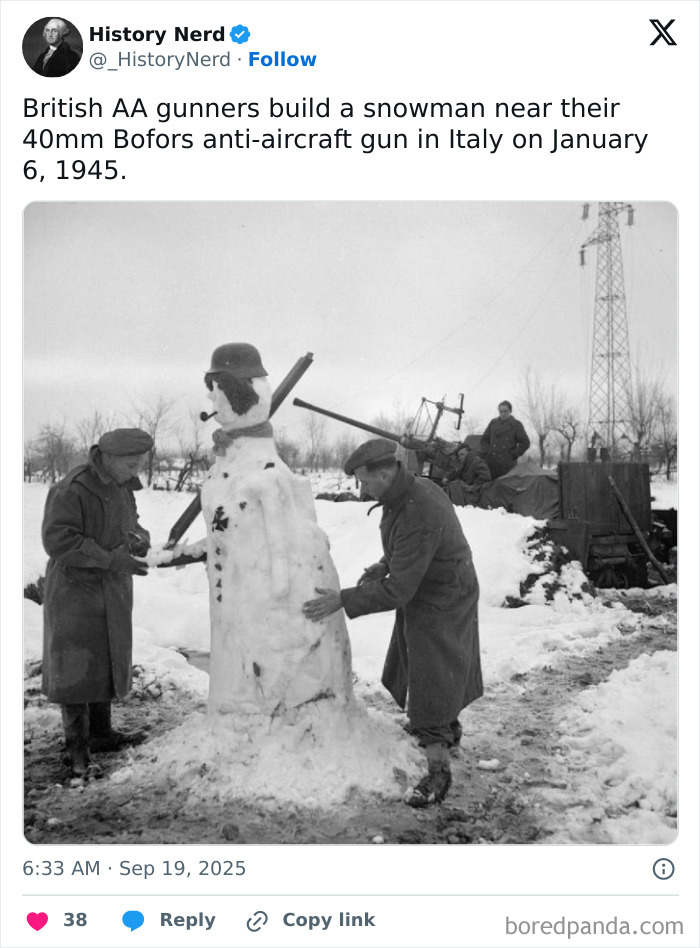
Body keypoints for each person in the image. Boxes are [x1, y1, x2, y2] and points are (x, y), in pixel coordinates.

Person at [303, 438, 482, 807]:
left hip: (443, 595)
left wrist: (342, 600)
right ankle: (448, 728)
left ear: (385, 472)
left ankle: (438, 772)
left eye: (365, 481)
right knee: (418, 659)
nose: (362, 489)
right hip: (433, 584)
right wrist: (385, 564)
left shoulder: (419, 507)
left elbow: (399, 589)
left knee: (433, 672)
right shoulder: (409, 491)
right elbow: (410, 551)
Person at [41, 428, 153, 778]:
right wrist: (109, 559)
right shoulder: (71, 489)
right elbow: (59, 540)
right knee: (76, 666)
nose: (136, 471)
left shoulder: (121, 485)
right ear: (107, 457)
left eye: (140, 464)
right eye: (131, 464)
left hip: (112, 587)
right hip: (75, 589)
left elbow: (130, 524)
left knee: (106, 656)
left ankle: (102, 734)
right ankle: (77, 748)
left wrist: (138, 540)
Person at [480, 400, 530, 479]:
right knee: (490, 486)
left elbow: (525, 442)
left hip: (506, 464)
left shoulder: (516, 425)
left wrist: (513, 454)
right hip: (491, 462)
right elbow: (484, 439)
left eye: (505, 411)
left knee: (505, 487)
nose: (503, 414)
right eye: (501, 411)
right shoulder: (493, 423)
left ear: (510, 411)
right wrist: (487, 451)